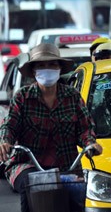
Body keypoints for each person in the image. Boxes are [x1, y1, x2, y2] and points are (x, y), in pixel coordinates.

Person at [0, 43, 103, 212]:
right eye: (41, 65)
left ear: (60, 69)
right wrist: (5, 142)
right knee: (31, 185)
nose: (47, 69)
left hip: (66, 167)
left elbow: (85, 127)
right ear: (33, 71)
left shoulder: (72, 96)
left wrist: (90, 144)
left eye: (52, 64)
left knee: (76, 198)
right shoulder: (22, 97)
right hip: (28, 165)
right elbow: (9, 126)